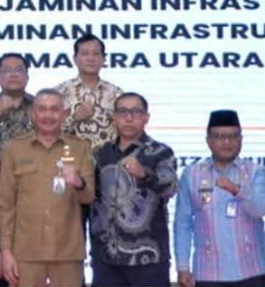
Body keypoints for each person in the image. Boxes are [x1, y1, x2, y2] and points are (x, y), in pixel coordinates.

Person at [0, 88, 95, 287]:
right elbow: (5, 205)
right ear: (33, 114)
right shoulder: (15, 149)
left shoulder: (80, 147)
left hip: (67, 252)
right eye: (42, 109)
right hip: (25, 253)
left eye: (54, 109)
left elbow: (89, 197)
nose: (48, 115)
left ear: (64, 114)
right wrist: (5, 251)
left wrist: (79, 183)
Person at [90, 92, 177, 286]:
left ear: (146, 117)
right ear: (114, 117)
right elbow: (89, 196)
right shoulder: (100, 154)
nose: (129, 118)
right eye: (123, 112)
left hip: (149, 259)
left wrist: (145, 174)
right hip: (106, 259)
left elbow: (170, 188)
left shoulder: (160, 152)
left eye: (136, 112)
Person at [174, 110, 265, 287]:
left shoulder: (255, 172)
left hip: (252, 271)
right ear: (208, 140)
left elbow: (259, 210)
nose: (227, 142)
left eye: (233, 136)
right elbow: (183, 224)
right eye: (219, 136)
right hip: (208, 273)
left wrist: (236, 190)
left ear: (241, 139)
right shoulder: (192, 174)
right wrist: (183, 267)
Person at [55, 34, 124, 151]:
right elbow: (46, 131)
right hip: (68, 157)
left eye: (96, 54)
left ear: (104, 59)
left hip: (108, 159)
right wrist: (74, 118)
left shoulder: (116, 93)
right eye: (85, 54)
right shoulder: (59, 93)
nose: (91, 58)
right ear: (75, 59)